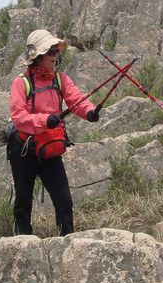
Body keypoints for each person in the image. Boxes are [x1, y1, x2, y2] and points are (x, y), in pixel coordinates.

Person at [8, 29, 100, 236]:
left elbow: (76, 101)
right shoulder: (20, 83)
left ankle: (67, 242)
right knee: (23, 200)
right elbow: (19, 118)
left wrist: (90, 112)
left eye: (55, 51)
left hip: (49, 148)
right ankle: (23, 243)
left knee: (64, 200)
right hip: (24, 149)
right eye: (50, 51)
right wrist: (45, 120)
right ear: (37, 56)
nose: (55, 56)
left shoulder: (61, 79)